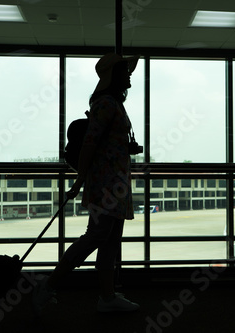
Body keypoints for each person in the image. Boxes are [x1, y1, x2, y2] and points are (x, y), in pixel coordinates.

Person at [33, 53, 140, 313]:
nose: (128, 74)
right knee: (97, 236)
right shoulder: (105, 104)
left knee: (110, 241)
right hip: (106, 184)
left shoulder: (113, 103)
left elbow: (102, 143)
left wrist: (127, 147)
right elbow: (90, 145)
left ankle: (107, 296)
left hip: (115, 183)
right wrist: (80, 179)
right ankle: (49, 285)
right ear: (113, 76)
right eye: (124, 71)